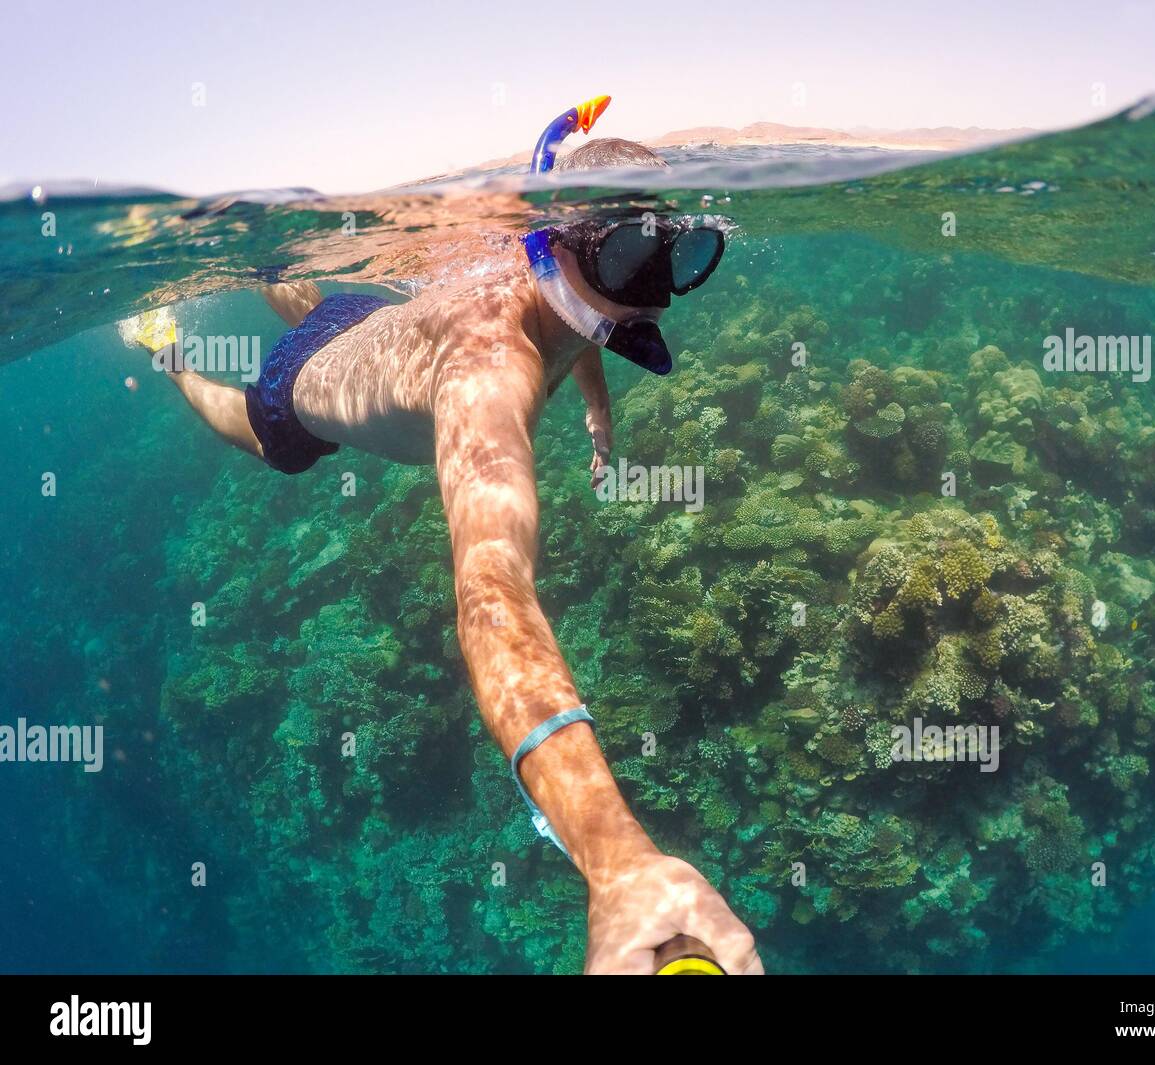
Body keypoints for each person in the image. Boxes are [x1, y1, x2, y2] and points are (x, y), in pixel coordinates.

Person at [131, 98, 763, 975]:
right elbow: (491, 597)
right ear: (555, 243)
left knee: (319, 301)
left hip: (363, 318)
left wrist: (596, 416)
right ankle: (165, 353)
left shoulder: (567, 288)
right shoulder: (485, 374)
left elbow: (590, 327)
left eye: (676, 258)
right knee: (244, 422)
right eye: (624, 257)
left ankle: (269, 255)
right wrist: (618, 862)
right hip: (306, 388)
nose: (647, 290)